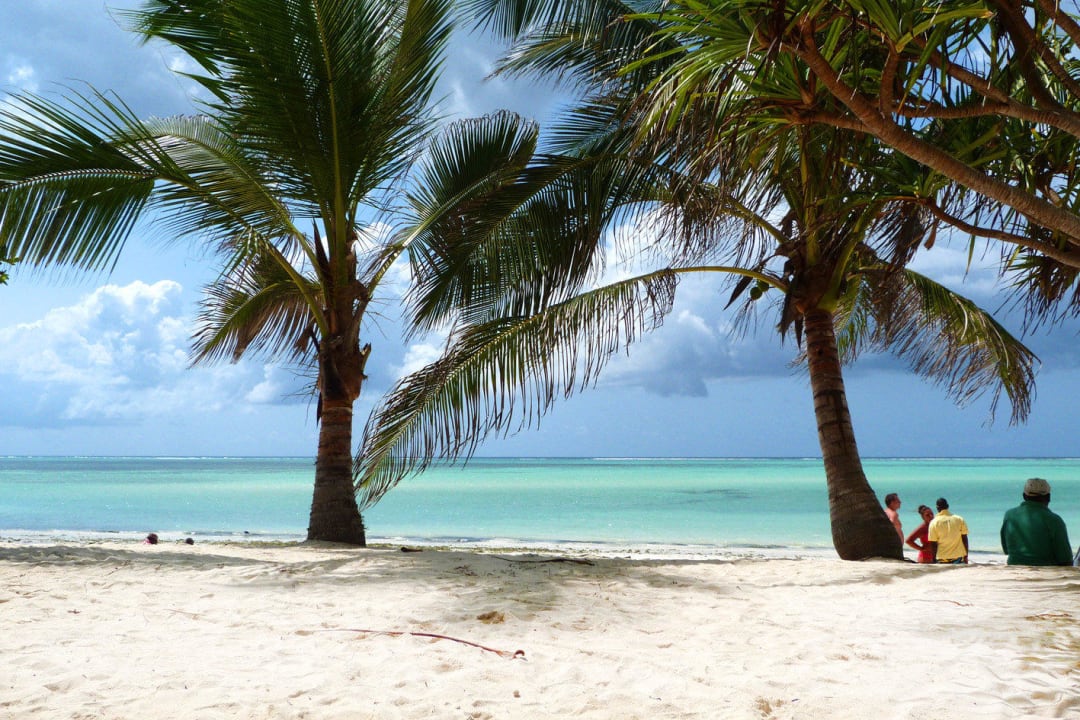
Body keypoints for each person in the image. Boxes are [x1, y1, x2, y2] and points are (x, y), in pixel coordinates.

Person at [999, 478, 1073, 566]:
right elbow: (1065, 559)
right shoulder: (1054, 520)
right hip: (1045, 572)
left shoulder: (1009, 515)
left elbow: (1006, 550)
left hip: (1014, 570)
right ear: (1048, 497)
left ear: (1024, 496)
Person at [927, 498, 968, 564]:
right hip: (958, 557)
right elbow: (964, 539)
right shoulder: (959, 519)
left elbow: (933, 543)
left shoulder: (934, 522)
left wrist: (934, 559)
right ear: (947, 506)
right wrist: (966, 555)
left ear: (937, 508)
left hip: (941, 557)